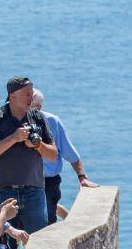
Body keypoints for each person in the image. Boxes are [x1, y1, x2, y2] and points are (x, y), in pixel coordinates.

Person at [0, 77, 58, 233]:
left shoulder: (38, 117)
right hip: (3, 192)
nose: (31, 98)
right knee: (5, 247)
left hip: (34, 192)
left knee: (38, 244)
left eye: (32, 94)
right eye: (27, 94)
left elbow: (53, 155)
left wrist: (38, 145)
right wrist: (14, 138)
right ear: (12, 96)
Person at [30, 88, 98, 228]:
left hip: (47, 182)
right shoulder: (14, 121)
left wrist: (82, 177)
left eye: (28, 103)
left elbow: (71, 154)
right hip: (22, 181)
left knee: (46, 223)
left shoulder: (52, 122)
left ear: (38, 107)